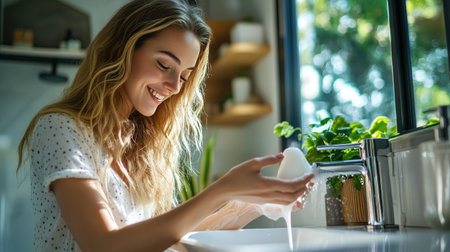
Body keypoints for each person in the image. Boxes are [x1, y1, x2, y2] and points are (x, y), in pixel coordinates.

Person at [17, 0, 315, 251]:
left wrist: (254, 204)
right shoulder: (59, 128)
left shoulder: (140, 144)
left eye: (184, 76)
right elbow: (103, 246)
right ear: (122, 49)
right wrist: (221, 190)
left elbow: (173, 242)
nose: (174, 86)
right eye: (164, 65)